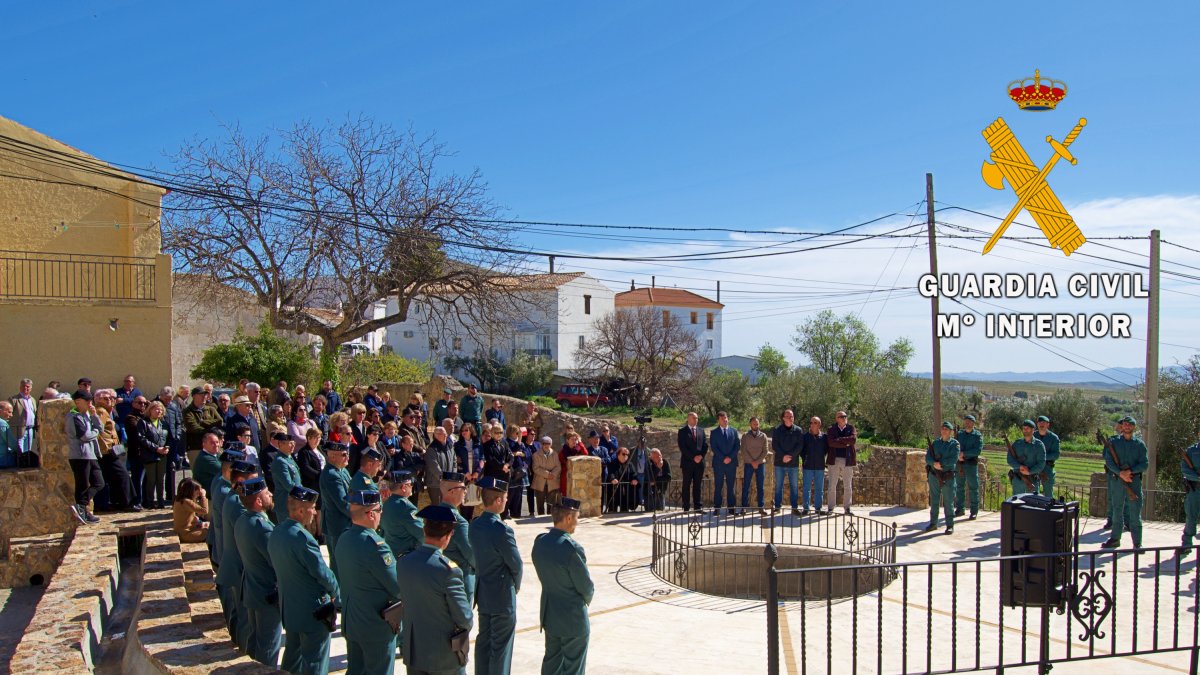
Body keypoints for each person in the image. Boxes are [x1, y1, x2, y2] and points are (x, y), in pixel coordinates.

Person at [268, 486, 340, 675]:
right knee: (315, 663)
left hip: (290, 609)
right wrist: (336, 593)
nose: (315, 512)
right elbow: (323, 574)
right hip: (313, 611)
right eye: (312, 507)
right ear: (301, 511)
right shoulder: (302, 538)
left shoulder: (277, 532)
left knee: (292, 659)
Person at [396, 505, 474, 675]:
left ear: (424, 530)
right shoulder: (449, 571)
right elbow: (465, 618)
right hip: (443, 655)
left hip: (415, 651)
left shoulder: (404, 562)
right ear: (449, 536)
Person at [334, 490, 403, 675]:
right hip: (375, 624)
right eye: (380, 510)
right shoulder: (375, 545)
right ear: (371, 513)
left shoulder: (344, 538)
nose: (381, 514)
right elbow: (397, 587)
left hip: (353, 621)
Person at [533, 497, 593, 675]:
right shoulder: (571, 549)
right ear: (568, 518)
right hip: (572, 618)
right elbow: (586, 588)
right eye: (577, 517)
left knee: (551, 664)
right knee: (573, 668)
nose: (577, 522)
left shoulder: (540, 542)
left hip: (550, 614)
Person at [469, 477, 522, 675]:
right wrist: (515, 585)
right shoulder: (502, 530)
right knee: (501, 646)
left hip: (483, 590)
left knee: (484, 640)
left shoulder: (474, 525)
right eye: (505, 498)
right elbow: (515, 564)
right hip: (501, 593)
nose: (507, 501)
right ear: (498, 500)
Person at [234, 476, 282, 666]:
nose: (271, 494)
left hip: (252, 590)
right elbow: (276, 562)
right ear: (258, 501)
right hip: (267, 593)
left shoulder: (242, 520)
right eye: (266, 492)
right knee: (268, 648)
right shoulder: (263, 528)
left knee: (254, 643)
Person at [216, 460, 259, 650]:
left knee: (237, 616)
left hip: (234, 565)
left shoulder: (234, 498)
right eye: (252, 481)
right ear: (241, 480)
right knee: (244, 620)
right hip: (239, 568)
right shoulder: (237, 503)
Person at [1101, 416, 1148, 550]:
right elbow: (1109, 461)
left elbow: (1144, 463)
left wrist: (1130, 472)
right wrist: (1120, 473)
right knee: (1117, 510)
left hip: (1133, 481)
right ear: (1122, 427)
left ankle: (1137, 543)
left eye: (1130, 425)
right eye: (1125, 424)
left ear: (1134, 427)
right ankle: (1115, 539)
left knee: (1135, 512)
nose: (1127, 426)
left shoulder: (1139, 445)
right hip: (1118, 480)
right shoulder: (1113, 443)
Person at [94, 389, 139, 511]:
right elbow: (98, 429)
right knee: (122, 475)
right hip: (107, 451)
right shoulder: (100, 411)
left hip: (112, 449)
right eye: (105, 398)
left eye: (110, 398)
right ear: (97, 400)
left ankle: (117, 502)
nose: (109, 400)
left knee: (112, 477)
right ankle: (128, 502)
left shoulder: (109, 411)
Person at [66, 390, 105, 524]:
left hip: (91, 455)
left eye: (90, 401)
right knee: (82, 485)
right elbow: (85, 436)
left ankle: (81, 507)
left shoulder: (87, 414)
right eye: (87, 402)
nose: (90, 404)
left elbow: (101, 428)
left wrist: (94, 415)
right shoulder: (74, 416)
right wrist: (96, 431)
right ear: (77, 402)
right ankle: (82, 509)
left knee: (99, 483)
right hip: (80, 456)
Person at [439, 471, 478, 603]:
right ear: (452, 491)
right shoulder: (459, 522)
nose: (465, 492)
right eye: (463, 488)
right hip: (460, 580)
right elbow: (471, 554)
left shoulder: (434, 515)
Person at [319, 442, 353, 578]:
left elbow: (353, 491)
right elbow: (343, 503)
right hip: (338, 525)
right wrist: (360, 516)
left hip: (345, 524)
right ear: (332, 457)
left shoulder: (342, 471)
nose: (347, 458)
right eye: (344, 455)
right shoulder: (331, 475)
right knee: (338, 563)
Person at [208, 446, 246, 566]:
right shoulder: (226, 492)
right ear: (231, 471)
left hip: (220, 547)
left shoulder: (219, 480)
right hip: (227, 553)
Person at [132, 400, 172, 509]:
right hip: (149, 454)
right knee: (151, 479)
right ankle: (149, 501)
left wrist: (166, 447)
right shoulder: (143, 422)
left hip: (163, 454)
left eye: (160, 409)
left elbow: (169, 438)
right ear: (150, 410)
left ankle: (160, 501)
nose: (158, 411)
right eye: (156, 409)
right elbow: (141, 438)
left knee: (160, 479)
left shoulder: (164, 423)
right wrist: (156, 448)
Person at [924, 422, 960, 534]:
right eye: (943, 428)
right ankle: (933, 523)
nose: (944, 430)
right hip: (934, 475)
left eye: (946, 429)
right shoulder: (935, 443)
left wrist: (941, 464)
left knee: (948, 502)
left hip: (947, 476)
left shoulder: (954, 444)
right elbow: (928, 457)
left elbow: (953, 459)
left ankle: (950, 525)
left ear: (951, 431)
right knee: (934, 500)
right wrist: (934, 463)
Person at [381, 471, 425, 558]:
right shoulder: (406, 507)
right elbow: (422, 534)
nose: (412, 486)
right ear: (404, 487)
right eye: (410, 484)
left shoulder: (386, 504)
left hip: (391, 552)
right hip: (407, 556)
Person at [825, 411, 858, 515]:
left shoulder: (851, 428)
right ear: (837, 418)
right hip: (834, 460)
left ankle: (847, 508)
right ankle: (831, 508)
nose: (844, 418)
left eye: (845, 416)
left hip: (847, 460)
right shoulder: (831, 429)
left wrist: (838, 440)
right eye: (841, 416)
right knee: (832, 485)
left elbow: (853, 440)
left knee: (848, 485)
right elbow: (831, 442)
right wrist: (845, 443)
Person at [184, 386, 224, 467]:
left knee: (216, 472)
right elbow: (194, 428)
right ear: (194, 396)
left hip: (214, 447)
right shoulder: (187, 411)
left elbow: (220, 421)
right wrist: (212, 430)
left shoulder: (211, 409)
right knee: (199, 475)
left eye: (205, 395)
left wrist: (204, 422)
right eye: (201, 395)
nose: (204, 397)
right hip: (196, 447)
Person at [709, 412, 740, 517]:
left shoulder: (734, 431)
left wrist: (730, 457)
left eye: (726, 417)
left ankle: (731, 509)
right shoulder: (714, 432)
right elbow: (714, 447)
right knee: (718, 486)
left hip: (731, 463)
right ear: (718, 420)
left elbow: (737, 446)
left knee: (731, 486)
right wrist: (723, 458)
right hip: (719, 463)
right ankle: (717, 508)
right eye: (722, 418)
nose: (725, 420)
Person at [771, 410, 802, 515]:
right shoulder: (777, 430)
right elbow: (775, 445)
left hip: (793, 463)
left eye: (791, 416)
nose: (790, 418)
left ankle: (794, 507)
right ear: (783, 418)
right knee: (779, 485)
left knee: (794, 486)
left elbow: (799, 446)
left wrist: (791, 456)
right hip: (780, 463)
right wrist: (783, 456)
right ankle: (777, 507)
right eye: (787, 416)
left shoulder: (798, 430)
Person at [677, 412, 708, 513]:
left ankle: (697, 507)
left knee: (697, 485)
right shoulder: (682, 431)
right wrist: (693, 457)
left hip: (699, 463)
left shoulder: (701, 431)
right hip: (688, 463)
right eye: (694, 418)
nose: (696, 420)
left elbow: (705, 446)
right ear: (689, 419)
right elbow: (683, 447)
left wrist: (700, 456)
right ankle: (686, 507)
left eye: (697, 418)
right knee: (686, 485)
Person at [954, 415, 983, 520]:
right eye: (966, 421)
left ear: (973, 423)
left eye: (970, 422)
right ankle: (960, 509)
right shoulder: (959, 434)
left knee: (973, 488)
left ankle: (974, 511)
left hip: (971, 464)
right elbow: (955, 445)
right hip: (960, 464)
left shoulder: (977, 435)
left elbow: (977, 451)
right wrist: (958, 455)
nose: (967, 423)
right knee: (959, 487)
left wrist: (964, 454)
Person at [1007, 420, 1046, 496]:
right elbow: (1010, 460)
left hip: (1032, 480)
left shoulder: (1039, 445)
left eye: (1027, 428)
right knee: (1016, 504)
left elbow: (1041, 464)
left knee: (1032, 505)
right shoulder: (1017, 443)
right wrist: (1020, 466)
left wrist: (1029, 472)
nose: (1025, 430)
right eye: (1024, 428)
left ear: (1033, 430)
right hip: (1018, 480)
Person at [271, 432, 303, 525]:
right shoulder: (280, 461)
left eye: (294, 443)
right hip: (285, 503)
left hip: (294, 500)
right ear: (280, 444)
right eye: (290, 443)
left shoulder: (289, 458)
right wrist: (302, 494)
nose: (293, 445)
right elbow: (288, 484)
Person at [739, 417, 768, 515]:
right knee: (746, 485)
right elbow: (743, 450)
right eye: (754, 423)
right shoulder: (745, 436)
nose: (756, 425)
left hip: (760, 464)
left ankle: (761, 507)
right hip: (748, 464)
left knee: (761, 486)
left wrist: (757, 461)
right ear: (750, 424)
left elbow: (765, 451)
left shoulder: (763, 436)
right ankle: (744, 507)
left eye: (757, 423)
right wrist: (752, 461)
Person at [456, 424, 484, 520]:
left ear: (471, 431)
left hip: (475, 477)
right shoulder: (458, 445)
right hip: (464, 478)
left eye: (466, 430)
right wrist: (466, 472)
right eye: (462, 430)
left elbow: (482, 459)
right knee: (463, 503)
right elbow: (457, 461)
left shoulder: (478, 444)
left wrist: (477, 472)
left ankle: (469, 523)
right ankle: (464, 525)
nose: (464, 432)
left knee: (472, 501)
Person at [800, 417, 827, 516]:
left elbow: (826, 450)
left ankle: (818, 508)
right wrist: (805, 458)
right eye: (811, 422)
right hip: (808, 466)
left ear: (819, 424)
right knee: (806, 487)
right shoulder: (805, 437)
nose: (812, 424)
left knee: (819, 488)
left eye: (815, 422)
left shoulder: (824, 437)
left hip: (820, 466)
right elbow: (801, 451)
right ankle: (806, 508)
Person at [1179, 430, 1200, 558]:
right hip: (1195, 489)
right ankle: (1187, 545)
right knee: (1191, 517)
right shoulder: (1191, 451)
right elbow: (1185, 469)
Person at [10, 378, 39, 468]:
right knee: (20, 448)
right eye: (23, 386)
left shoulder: (32, 399)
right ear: (20, 387)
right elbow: (8, 413)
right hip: (19, 428)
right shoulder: (14, 399)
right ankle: (19, 465)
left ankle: (26, 464)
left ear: (31, 388)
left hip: (30, 428)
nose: (25, 388)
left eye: (28, 387)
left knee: (28, 449)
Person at [425, 426, 457, 507]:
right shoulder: (432, 448)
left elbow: (454, 462)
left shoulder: (450, 446)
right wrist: (444, 479)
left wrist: (452, 476)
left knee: (447, 506)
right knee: (437, 507)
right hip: (435, 484)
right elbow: (434, 466)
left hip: (448, 482)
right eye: (438, 433)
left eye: (442, 433)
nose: (441, 435)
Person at [173, 477, 210, 543]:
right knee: (211, 531)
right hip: (186, 534)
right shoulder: (186, 502)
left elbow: (188, 517)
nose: (199, 494)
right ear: (191, 491)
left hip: (183, 531)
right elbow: (205, 510)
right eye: (197, 492)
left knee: (208, 525)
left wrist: (199, 523)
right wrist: (203, 496)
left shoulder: (180, 499)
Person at [532, 435, 561, 515]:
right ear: (542, 444)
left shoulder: (555, 454)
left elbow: (558, 467)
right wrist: (548, 474)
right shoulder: (536, 455)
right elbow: (535, 468)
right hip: (540, 482)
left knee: (551, 503)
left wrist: (553, 474)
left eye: (548, 443)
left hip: (552, 482)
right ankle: (540, 519)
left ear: (551, 444)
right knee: (540, 503)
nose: (546, 445)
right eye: (544, 443)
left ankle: (549, 518)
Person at [1034, 415, 1061, 498]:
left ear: (1048, 425)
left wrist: (1042, 457)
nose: (1041, 424)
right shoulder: (1033, 435)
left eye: (1044, 423)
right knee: (1033, 491)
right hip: (1034, 467)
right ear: (1037, 424)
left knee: (1048, 492)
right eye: (1040, 422)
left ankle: (1049, 510)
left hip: (1048, 468)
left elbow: (1056, 455)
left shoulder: (1054, 438)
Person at [607, 447, 638, 513]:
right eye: (623, 454)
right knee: (612, 509)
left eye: (627, 455)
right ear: (618, 454)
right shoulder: (613, 463)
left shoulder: (629, 464)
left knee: (625, 509)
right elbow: (610, 473)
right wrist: (612, 479)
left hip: (626, 491)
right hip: (615, 490)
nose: (625, 456)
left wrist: (635, 479)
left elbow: (634, 474)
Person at [296, 428, 325, 494]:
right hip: (312, 483)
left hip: (323, 481)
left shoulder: (320, 449)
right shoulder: (303, 452)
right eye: (315, 437)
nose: (318, 440)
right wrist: (320, 475)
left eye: (319, 437)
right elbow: (305, 468)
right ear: (309, 438)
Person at [0, 401, 20, 469]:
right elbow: (12, 443)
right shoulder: (2, 423)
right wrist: (19, 450)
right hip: (2, 459)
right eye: (9, 412)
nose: (11, 415)